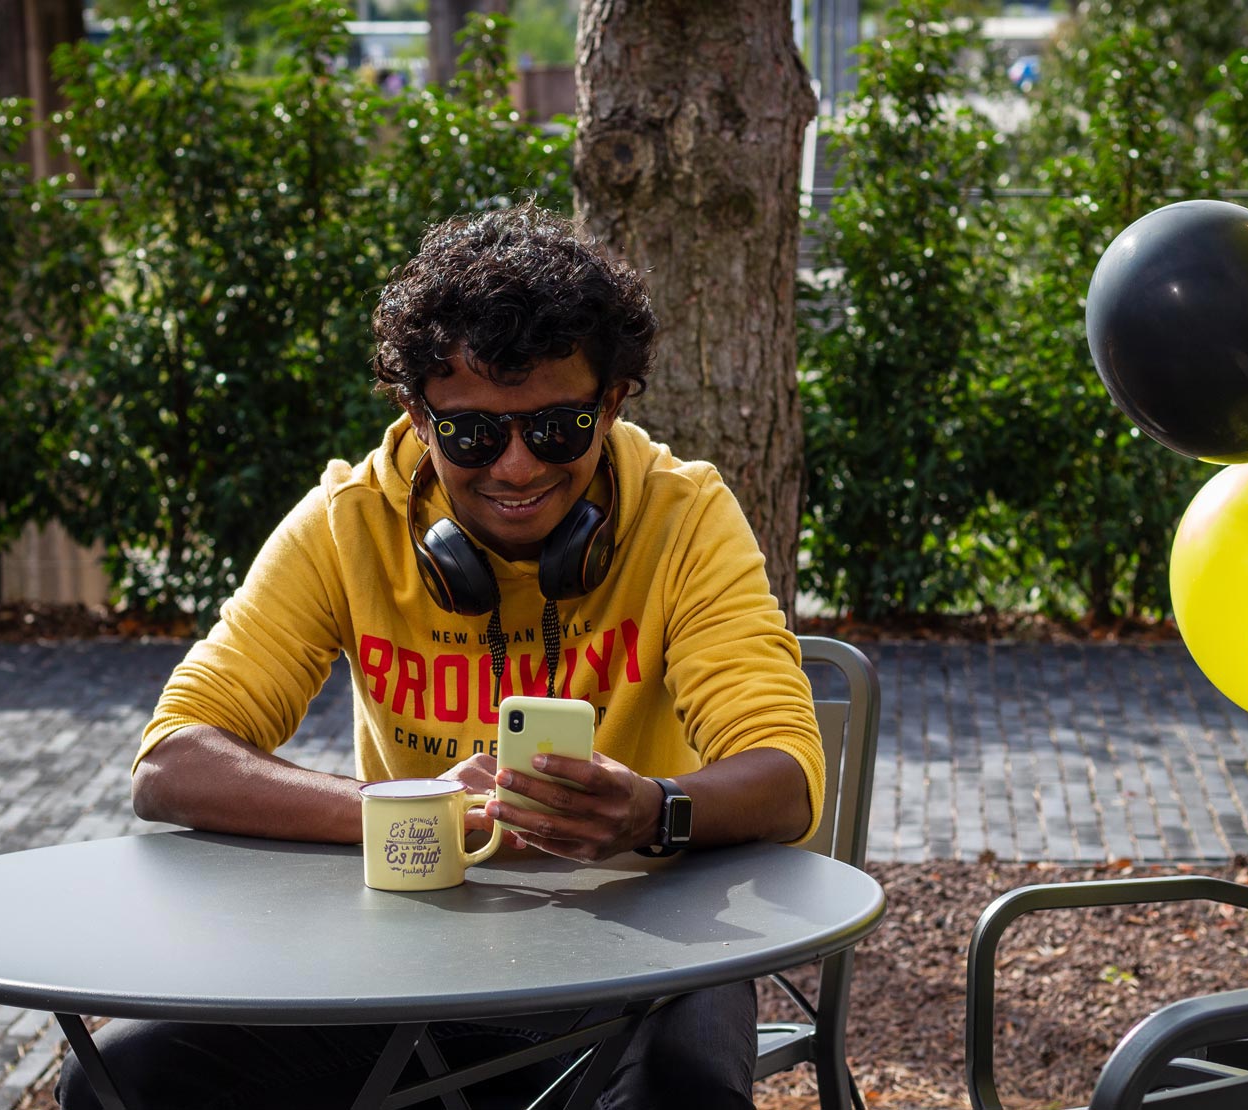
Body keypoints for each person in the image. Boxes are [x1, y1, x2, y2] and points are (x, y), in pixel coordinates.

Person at [57, 203, 826, 1110]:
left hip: (653, 956)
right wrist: (402, 809)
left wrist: (651, 812)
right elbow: (172, 763)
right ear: (415, 416)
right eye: (470, 433)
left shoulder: (684, 517)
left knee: (680, 1089)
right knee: (121, 1074)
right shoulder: (347, 524)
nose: (513, 468)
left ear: (611, 402)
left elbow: (787, 779)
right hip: (403, 954)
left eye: (555, 429)